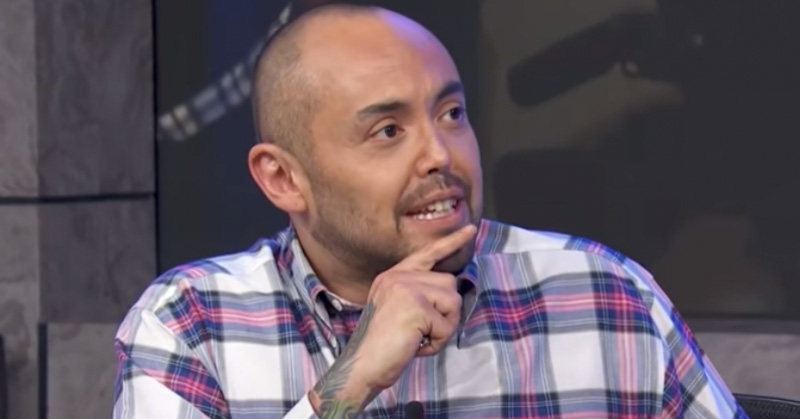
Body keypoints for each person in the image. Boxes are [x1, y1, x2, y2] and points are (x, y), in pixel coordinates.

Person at [113, 4, 747, 419]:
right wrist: (347, 387)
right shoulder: (190, 325)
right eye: (388, 131)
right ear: (284, 179)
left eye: (451, 114)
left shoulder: (607, 297)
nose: (441, 154)